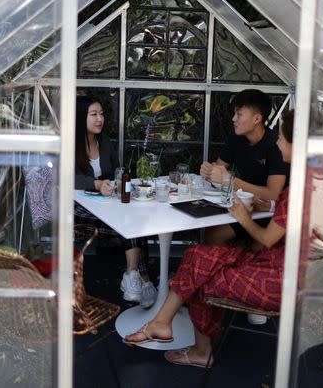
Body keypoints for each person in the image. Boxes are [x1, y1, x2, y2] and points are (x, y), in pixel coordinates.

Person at [123, 109, 298, 367]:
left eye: (282, 138)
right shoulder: (306, 181)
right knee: (196, 255)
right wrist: (257, 208)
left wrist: (243, 216)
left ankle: (199, 351)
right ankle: (162, 323)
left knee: (200, 276)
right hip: (277, 259)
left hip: (278, 274)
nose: (277, 142)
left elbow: (267, 238)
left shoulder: (303, 191)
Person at [73, 96, 157, 307]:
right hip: (78, 207)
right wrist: (96, 184)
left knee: (135, 219)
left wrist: (116, 183)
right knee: (130, 224)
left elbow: (116, 170)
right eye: (93, 114)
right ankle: (143, 280)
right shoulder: (70, 144)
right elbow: (67, 177)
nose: (99, 119)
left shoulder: (105, 142)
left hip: (105, 202)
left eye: (101, 114)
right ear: (81, 117)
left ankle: (132, 276)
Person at [200, 89, 287, 246]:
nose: (233, 119)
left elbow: (273, 194)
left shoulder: (276, 145)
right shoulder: (236, 138)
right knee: (212, 233)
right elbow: (220, 170)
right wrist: (209, 172)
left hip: (270, 213)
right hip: (242, 205)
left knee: (255, 246)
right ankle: (224, 268)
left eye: (239, 114)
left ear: (257, 118)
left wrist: (230, 181)